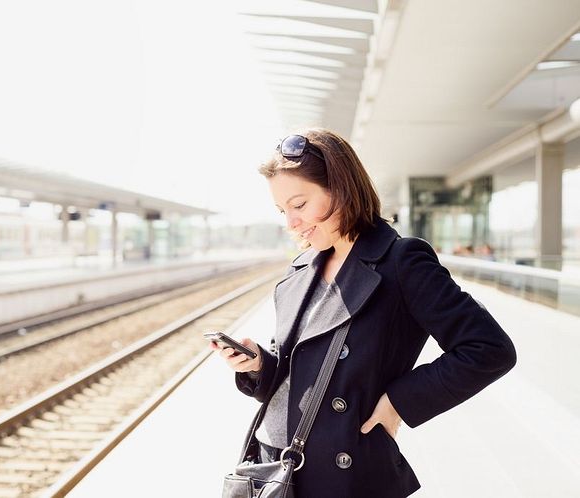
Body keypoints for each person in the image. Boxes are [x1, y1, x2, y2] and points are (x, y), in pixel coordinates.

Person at [210, 129, 517, 497]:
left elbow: (488, 348)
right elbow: (299, 373)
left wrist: (397, 403)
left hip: (342, 474)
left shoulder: (401, 261)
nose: (291, 223)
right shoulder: (302, 268)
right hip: (271, 467)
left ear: (340, 188)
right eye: (282, 210)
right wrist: (259, 364)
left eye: (300, 205)